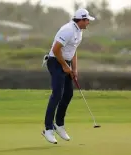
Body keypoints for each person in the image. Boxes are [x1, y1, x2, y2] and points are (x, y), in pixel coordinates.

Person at [41, 8, 95, 144]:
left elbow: (73, 51)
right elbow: (55, 49)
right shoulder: (68, 30)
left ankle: (59, 124)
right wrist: (65, 66)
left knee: (68, 94)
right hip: (55, 61)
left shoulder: (79, 31)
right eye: (87, 20)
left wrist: (74, 68)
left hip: (66, 62)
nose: (88, 22)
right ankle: (48, 128)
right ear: (81, 20)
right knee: (57, 94)